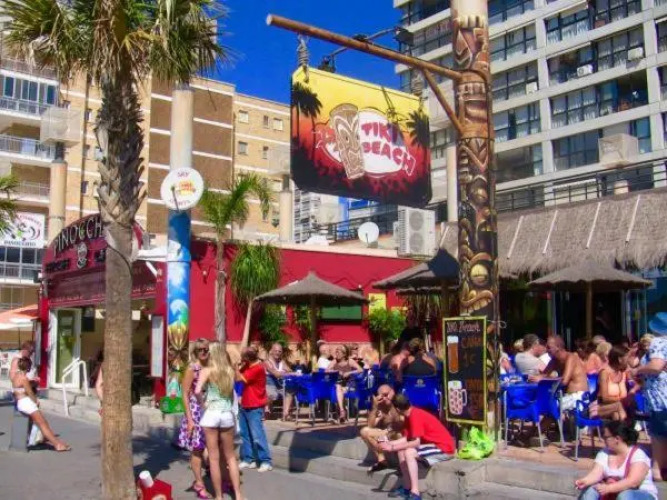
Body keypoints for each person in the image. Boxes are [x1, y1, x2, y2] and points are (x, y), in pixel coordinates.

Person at [379, 394, 455, 500]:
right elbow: (407, 438)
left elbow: (416, 442)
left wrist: (392, 448)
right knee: (401, 451)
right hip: (432, 446)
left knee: (409, 452)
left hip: (444, 448)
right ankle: (407, 488)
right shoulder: (409, 415)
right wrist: (389, 443)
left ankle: (415, 493)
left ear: (397, 409)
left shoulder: (415, 415)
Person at [195, 342, 244, 500]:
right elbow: (234, 391)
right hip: (226, 414)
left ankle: (219, 496)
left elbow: (197, 390)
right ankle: (238, 494)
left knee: (214, 459)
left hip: (211, 414)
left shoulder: (207, 370)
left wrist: (203, 404)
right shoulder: (230, 371)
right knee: (230, 457)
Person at [575, 421, 658, 500]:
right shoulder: (604, 453)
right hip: (612, 493)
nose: (603, 440)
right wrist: (585, 481)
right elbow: (596, 474)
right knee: (590, 491)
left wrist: (608, 488)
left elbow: (633, 482)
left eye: (606, 437)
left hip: (641, 494)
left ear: (617, 439)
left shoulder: (638, 454)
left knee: (625, 496)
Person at [630, 313, 667, 482]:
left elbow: (656, 366)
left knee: (659, 434)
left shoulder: (659, 342)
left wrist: (638, 370)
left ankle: (657, 469)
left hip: (660, 397)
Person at [176, 339, 212, 499]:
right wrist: (190, 420)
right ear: (195, 352)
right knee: (197, 449)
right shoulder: (192, 368)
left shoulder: (210, 366)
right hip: (196, 411)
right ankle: (199, 482)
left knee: (209, 445)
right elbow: (184, 394)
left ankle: (212, 472)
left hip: (210, 409)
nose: (203, 352)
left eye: (206, 349)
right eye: (200, 350)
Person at [12, 357, 71, 452]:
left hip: (21, 402)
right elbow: (30, 392)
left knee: (42, 423)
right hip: (26, 403)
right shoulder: (24, 378)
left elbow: (18, 390)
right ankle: (57, 445)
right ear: (28, 368)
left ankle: (56, 442)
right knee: (42, 423)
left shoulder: (16, 376)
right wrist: (36, 401)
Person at [530, 335, 588, 411]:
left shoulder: (571, 357)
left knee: (547, 406)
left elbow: (564, 381)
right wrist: (533, 377)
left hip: (579, 397)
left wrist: (542, 379)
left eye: (549, 347)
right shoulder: (554, 361)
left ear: (558, 347)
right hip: (565, 397)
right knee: (537, 402)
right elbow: (544, 375)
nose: (546, 350)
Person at [238, 346, 273, 472]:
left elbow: (238, 378)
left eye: (243, 356)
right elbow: (240, 373)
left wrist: (234, 367)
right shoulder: (248, 365)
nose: (241, 358)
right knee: (245, 434)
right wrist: (240, 366)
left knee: (257, 435)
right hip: (245, 403)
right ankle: (249, 459)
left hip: (255, 405)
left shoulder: (258, 368)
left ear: (247, 358)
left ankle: (265, 461)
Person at [359, 384, 401, 473]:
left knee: (399, 433)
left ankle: (402, 463)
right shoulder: (379, 405)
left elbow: (398, 422)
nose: (384, 398)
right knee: (364, 431)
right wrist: (374, 408)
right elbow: (370, 426)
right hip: (385, 433)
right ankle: (382, 460)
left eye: (386, 395)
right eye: (382, 395)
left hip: (397, 433)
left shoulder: (398, 402)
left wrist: (390, 406)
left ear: (392, 393)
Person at [328, 345, 362, 423]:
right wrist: (336, 372)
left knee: (338, 389)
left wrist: (350, 372)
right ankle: (342, 411)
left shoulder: (350, 361)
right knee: (338, 387)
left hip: (349, 385)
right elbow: (327, 370)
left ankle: (341, 412)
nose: (336, 353)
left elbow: (360, 370)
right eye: (336, 351)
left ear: (344, 354)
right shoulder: (335, 361)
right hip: (338, 385)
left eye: (338, 351)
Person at [595, 345, 630, 422]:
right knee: (618, 406)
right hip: (602, 407)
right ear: (620, 359)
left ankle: (623, 428)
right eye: (627, 358)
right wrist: (622, 400)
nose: (629, 360)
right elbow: (605, 398)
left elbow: (637, 382)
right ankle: (626, 427)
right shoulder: (604, 373)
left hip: (618, 408)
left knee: (616, 414)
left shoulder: (623, 373)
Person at [264, 342, 294, 420]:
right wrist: (284, 372)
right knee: (273, 395)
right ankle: (265, 410)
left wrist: (286, 372)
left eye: (279, 351)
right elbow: (276, 374)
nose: (277, 353)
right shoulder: (267, 362)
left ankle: (285, 414)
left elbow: (290, 371)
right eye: (276, 351)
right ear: (271, 351)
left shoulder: (282, 362)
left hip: (279, 384)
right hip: (268, 384)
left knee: (289, 392)